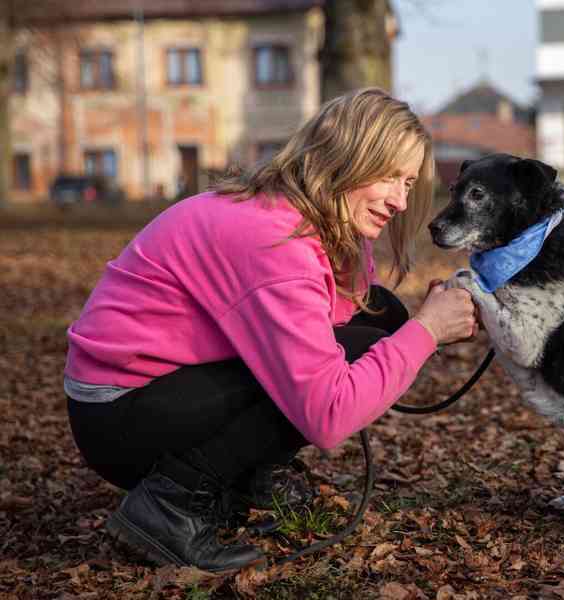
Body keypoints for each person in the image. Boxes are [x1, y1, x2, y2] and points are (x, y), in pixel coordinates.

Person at [64, 88, 477, 572]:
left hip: (154, 392)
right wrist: (427, 331)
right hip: (117, 417)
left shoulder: (296, 216)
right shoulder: (274, 241)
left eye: (408, 183)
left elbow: (342, 317)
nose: (400, 202)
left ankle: (248, 476)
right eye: (388, 176)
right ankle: (170, 505)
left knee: (380, 316)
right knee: (362, 352)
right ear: (344, 156)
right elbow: (327, 413)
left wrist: (406, 322)